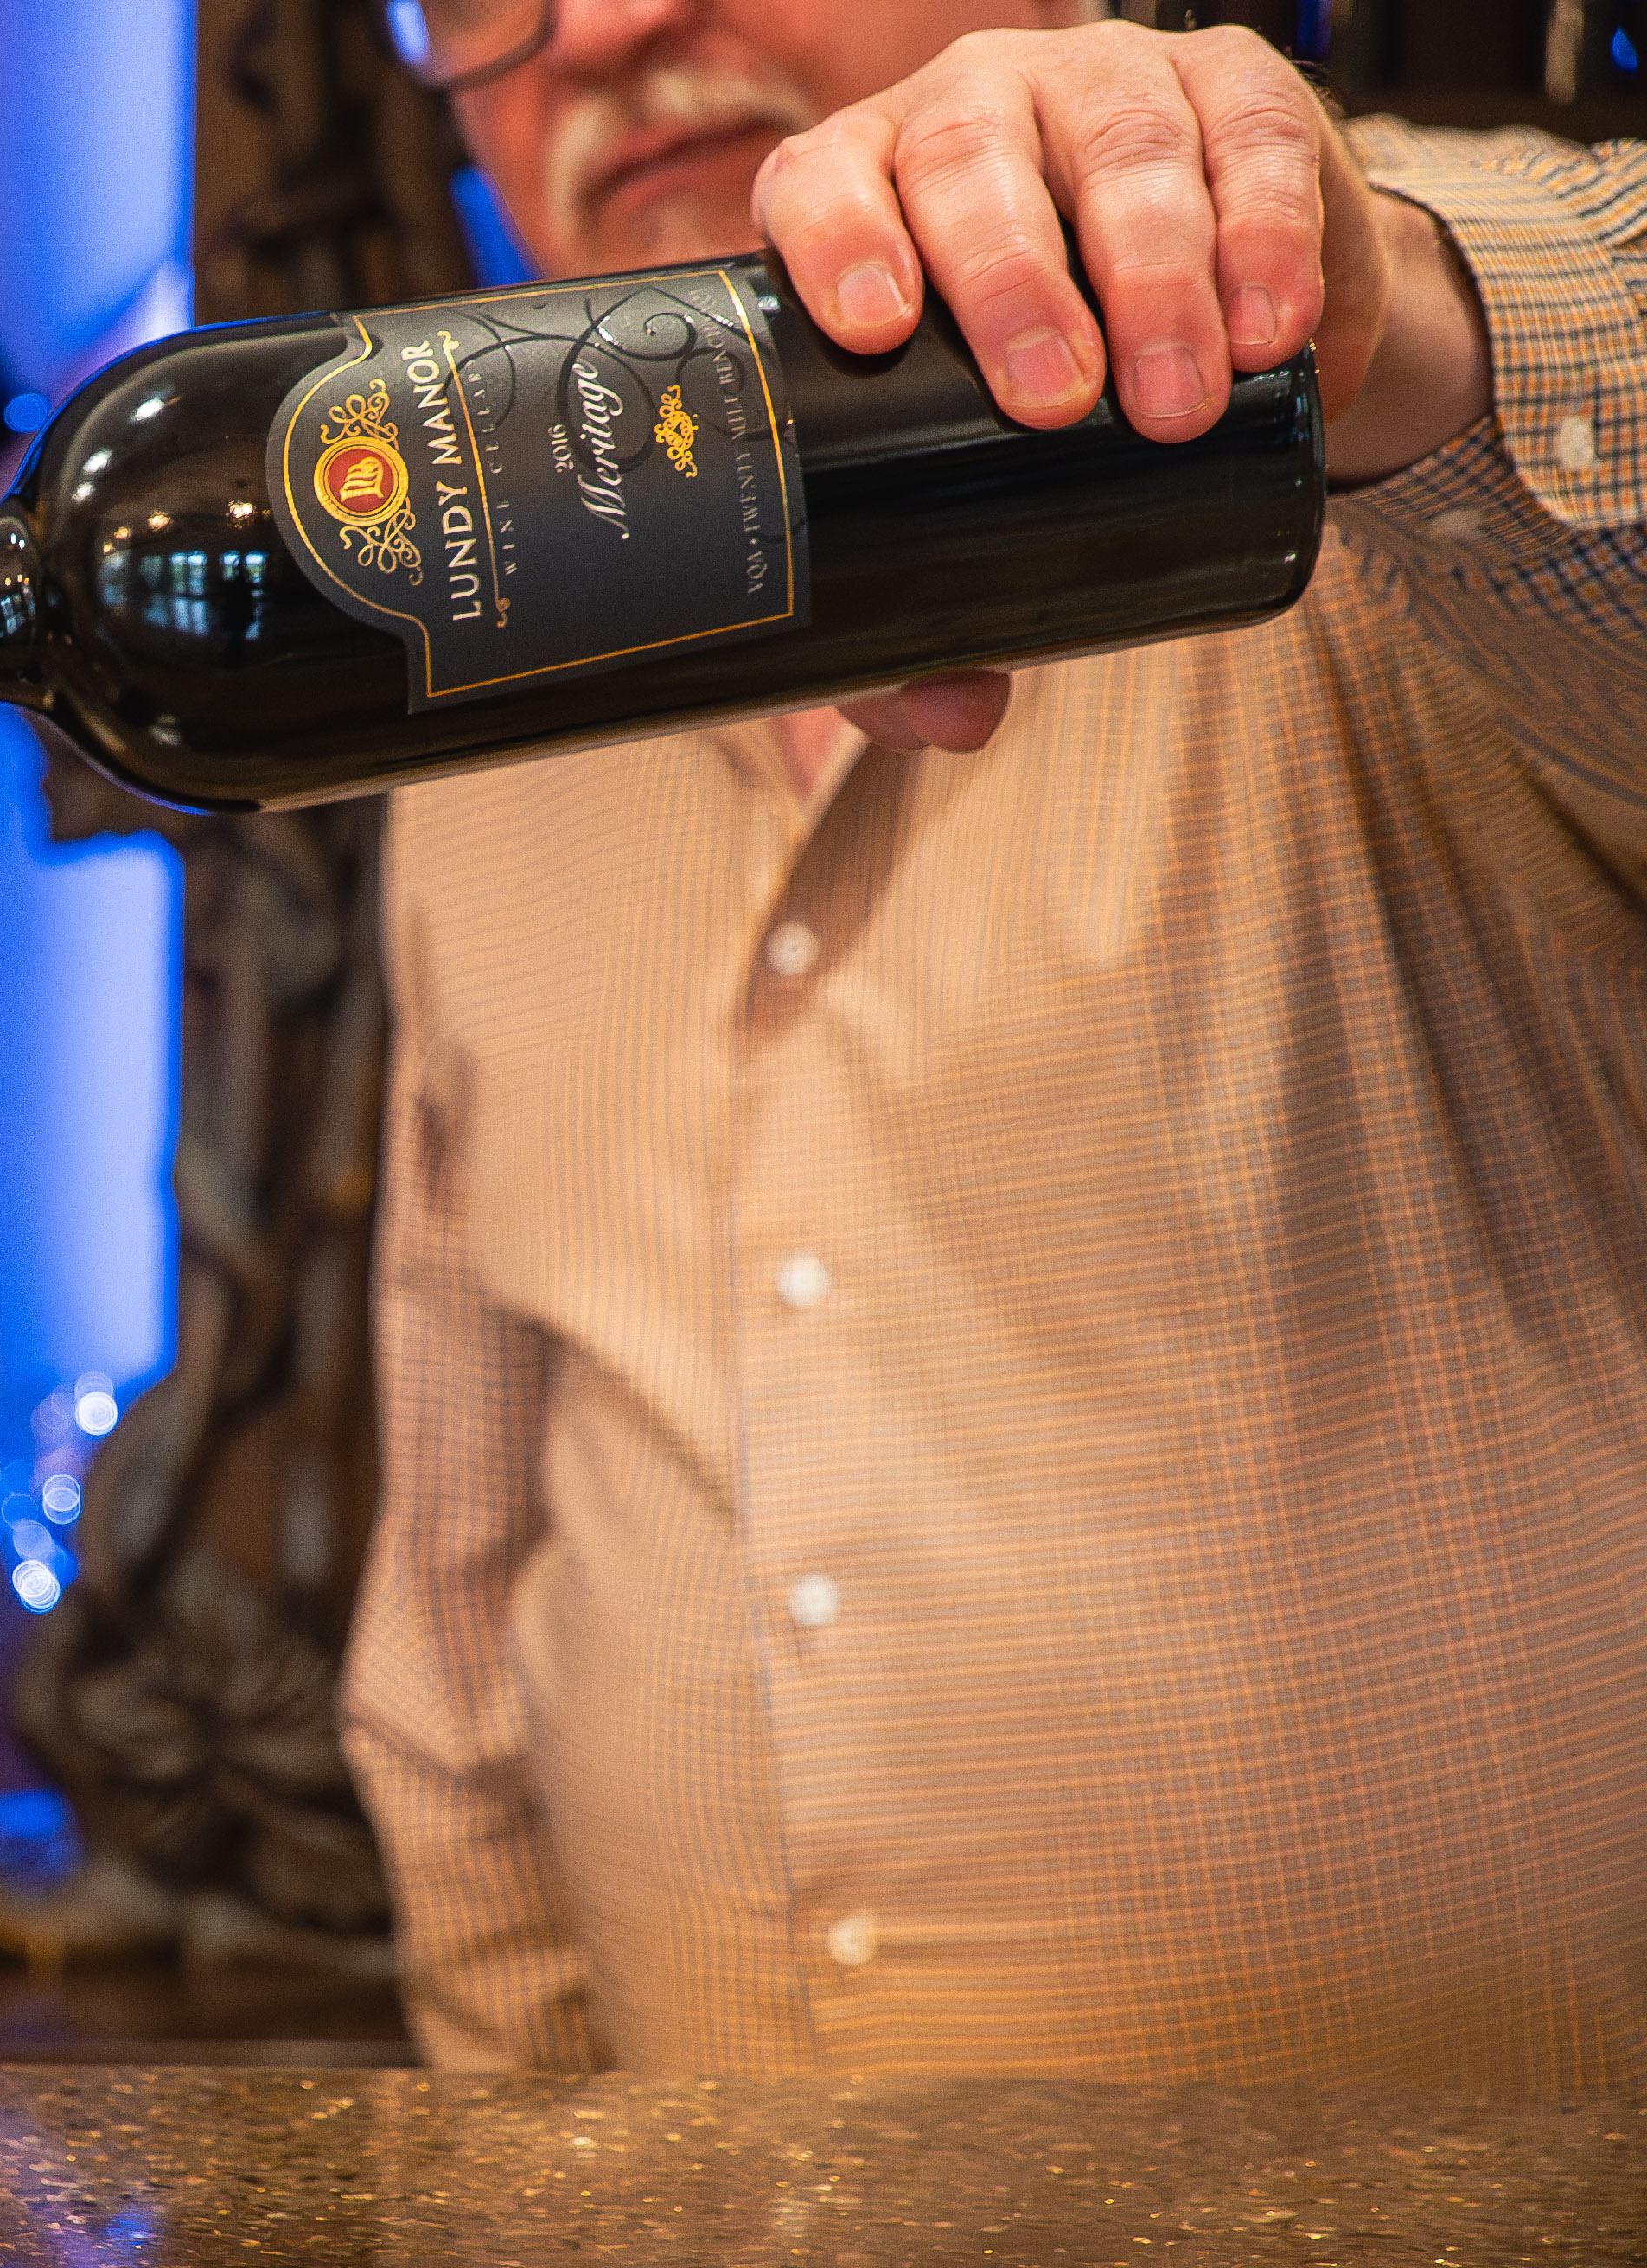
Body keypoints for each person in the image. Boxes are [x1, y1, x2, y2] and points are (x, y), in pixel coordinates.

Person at [342, 0, 1645, 2093]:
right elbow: (459, 1617)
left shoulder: (1379, 418)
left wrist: (1384, 315)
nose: (604, 27)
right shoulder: (480, 630)